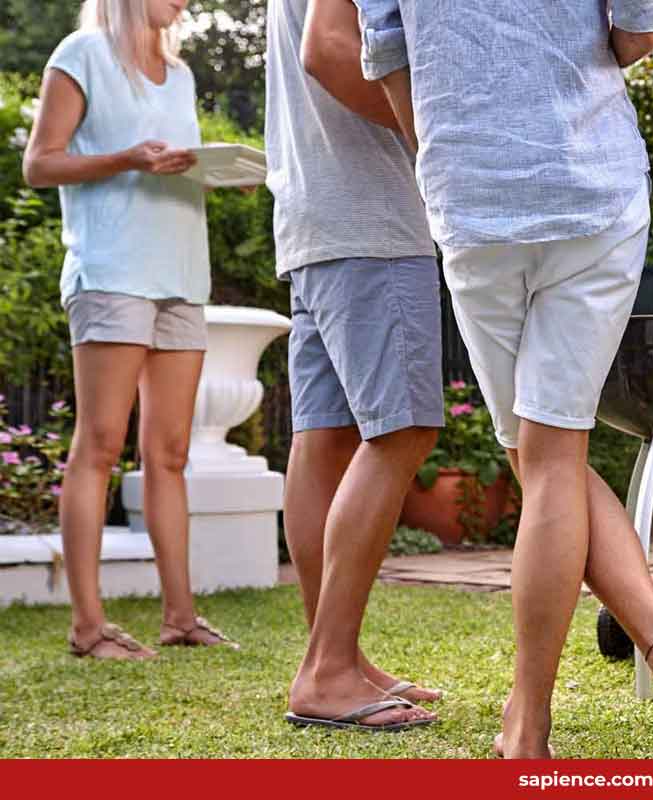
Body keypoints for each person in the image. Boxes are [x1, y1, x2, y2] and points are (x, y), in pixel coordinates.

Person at [343, 0, 653, 758]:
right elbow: (643, 26)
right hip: (591, 188)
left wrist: (450, 156)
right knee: (551, 455)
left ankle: (532, 725)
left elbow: (386, 52)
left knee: (541, 457)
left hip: (473, 201)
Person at [22, 0, 238, 660]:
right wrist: (127, 159)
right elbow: (40, 163)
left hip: (183, 275)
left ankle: (181, 617)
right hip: (113, 271)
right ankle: (88, 627)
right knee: (99, 444)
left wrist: (221, 174)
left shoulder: (181, 74)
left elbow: (175, 165)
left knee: (169, 453)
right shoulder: (81, 54)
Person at [265, 0, 443, 731]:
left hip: (317, 215)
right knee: (402, 431)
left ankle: (332, 656)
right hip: (372, 217)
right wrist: (436, 140)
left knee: (326, 439)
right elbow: (329, 49)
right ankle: (329, 668)